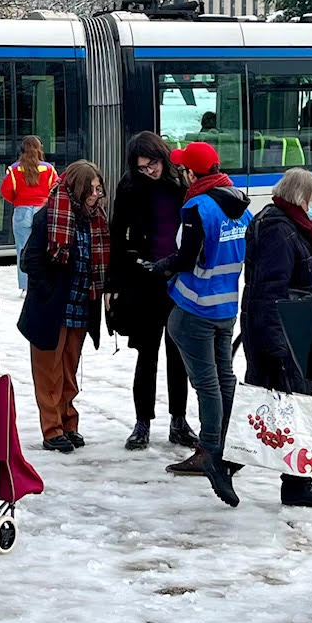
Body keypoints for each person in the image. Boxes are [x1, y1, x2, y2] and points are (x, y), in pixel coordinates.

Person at [152, 140, 252, 507]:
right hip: (226, 306)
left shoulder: (197, 206)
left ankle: (210, 451)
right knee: (224, 379)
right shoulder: (240, 205)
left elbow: (186, 257)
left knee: (207, 384)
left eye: (184, 168)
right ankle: (224, 446)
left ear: (193, 173)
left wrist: (160, 266)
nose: (181, 173)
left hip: (194, 307)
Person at [241, 167, 312, 509]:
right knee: (291, 408)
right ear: (302, 198)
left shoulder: (288, 223)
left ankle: (296, 482)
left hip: (289, 328)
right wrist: (279, 343)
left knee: (282, 409)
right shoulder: (279, 228)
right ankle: (225, 462)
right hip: (283, 331)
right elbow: (269, 289)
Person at [106, 132, 196, 453]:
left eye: (153, 164)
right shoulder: (130, 186)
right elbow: (117, 235)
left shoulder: (179, 183)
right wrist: (114, 283)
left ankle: (179, 420)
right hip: (144, 280)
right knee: (147, 354)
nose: (149, 171)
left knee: (178, 354)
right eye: (142, 167)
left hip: (177, 279)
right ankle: (142, 421)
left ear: (163, 157)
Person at [16, 161, 110, 454]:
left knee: (69, 372)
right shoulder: (49, 216)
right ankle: (52, 428)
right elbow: (29, 260)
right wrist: (48, 291)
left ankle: (69, 423)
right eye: (91, 189)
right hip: (51, 310)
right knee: (49, 373)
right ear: (77, 189)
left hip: (80, 308)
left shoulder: (96, 219)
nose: (96, 195)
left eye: (99, 189)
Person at [0, 136, 59, 292]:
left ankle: (26, 287)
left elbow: (5, 191)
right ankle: (42, 283)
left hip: (22, 212)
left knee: (22, 250)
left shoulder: (14, 169)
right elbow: (56, 189)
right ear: (40, 149)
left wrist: (17, 200)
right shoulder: (48, 169)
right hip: (42, 211)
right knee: (43, 249)